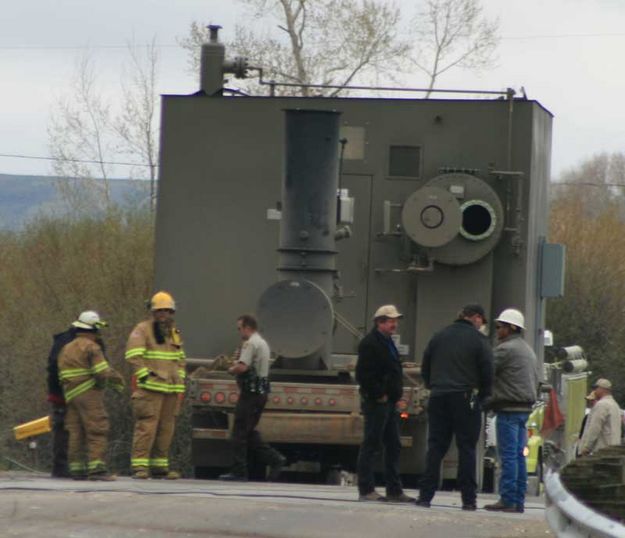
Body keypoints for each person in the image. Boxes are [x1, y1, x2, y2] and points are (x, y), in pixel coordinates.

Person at [417, 304, 494, 510]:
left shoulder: (439, 336)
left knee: (436, 447)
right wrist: (485, 396)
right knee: (467, 448)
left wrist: (433, 385)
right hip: (466, 396)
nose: (482, 326)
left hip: (439, 395)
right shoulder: (479, 340)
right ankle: (468, 500)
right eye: (482, 322)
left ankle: (425, 496)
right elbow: (487, 371)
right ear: (477, 318)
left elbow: (426, 367)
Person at [355, 305, 414, 503]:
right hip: (377, 402)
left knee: (394, 444)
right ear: (380, 322)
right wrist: (379, 394)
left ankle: (394, 490)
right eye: (390, 321)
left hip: (390, 403)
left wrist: (397, 395)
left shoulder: (388, 342)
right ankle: (366, 489)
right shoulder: (370, 343)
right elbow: (363, 374)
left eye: (395, 321)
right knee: (371, 444)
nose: (394, 324)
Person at [483, 308, 539, 513]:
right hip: (523, 409)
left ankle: (507, 499)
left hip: (508, 408)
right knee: (518, 456)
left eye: (500, 327)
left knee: (507, 456)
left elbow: (486, 371)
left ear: (511, 328)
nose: (497, 330)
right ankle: (517, 500)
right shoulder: (527, 349)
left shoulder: (505, 349)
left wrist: (483, 398)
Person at [126, 291, 186, 479]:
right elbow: (133, 356)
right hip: (150, 389)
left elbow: (180, 359)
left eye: (167, 311)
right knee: (147, 428)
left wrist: (180, 382)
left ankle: (160, 467)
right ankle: (140, 467)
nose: (163, 315)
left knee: (166, 429)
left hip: (170, 390)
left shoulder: (174, 333)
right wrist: (145, 377)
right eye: (159, 311)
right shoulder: (142, 330)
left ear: (172, 313)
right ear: (152, 312)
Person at [58, 311, 124, 480]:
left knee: (76, 431)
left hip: (71, 395)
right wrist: (117, 380)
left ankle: (77, 470)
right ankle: (97, 470)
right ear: (92, 329)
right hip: (88, 393)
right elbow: (102, 372)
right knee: (97, 428)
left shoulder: (66, 347)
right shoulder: (91, 347)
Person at [219, 314, 285, 481]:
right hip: (260, 393)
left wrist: (230, 369)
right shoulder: (262, 342)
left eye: (240, 328)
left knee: (239, 432)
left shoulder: (250, 343)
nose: (239, 331)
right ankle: (276, 459)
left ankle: (239, 471)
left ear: (248, 327)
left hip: (251, 393)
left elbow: (242, 367)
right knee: (248, 432)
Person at [46, 322, 79, 478]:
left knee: (64, 429)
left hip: (62, 391)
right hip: (65, 393)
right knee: (65, 428)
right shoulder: (69, 342)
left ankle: (64, 466)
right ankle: (62, 467)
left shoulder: (63, 340)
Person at [579, 378, 622, 456]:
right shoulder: (615, 405)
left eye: (596, 388)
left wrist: (586, 447)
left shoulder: (602, 404)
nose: (594, 391)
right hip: (615, 449)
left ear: (602, 389)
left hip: (602, 449)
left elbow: (595, 427)